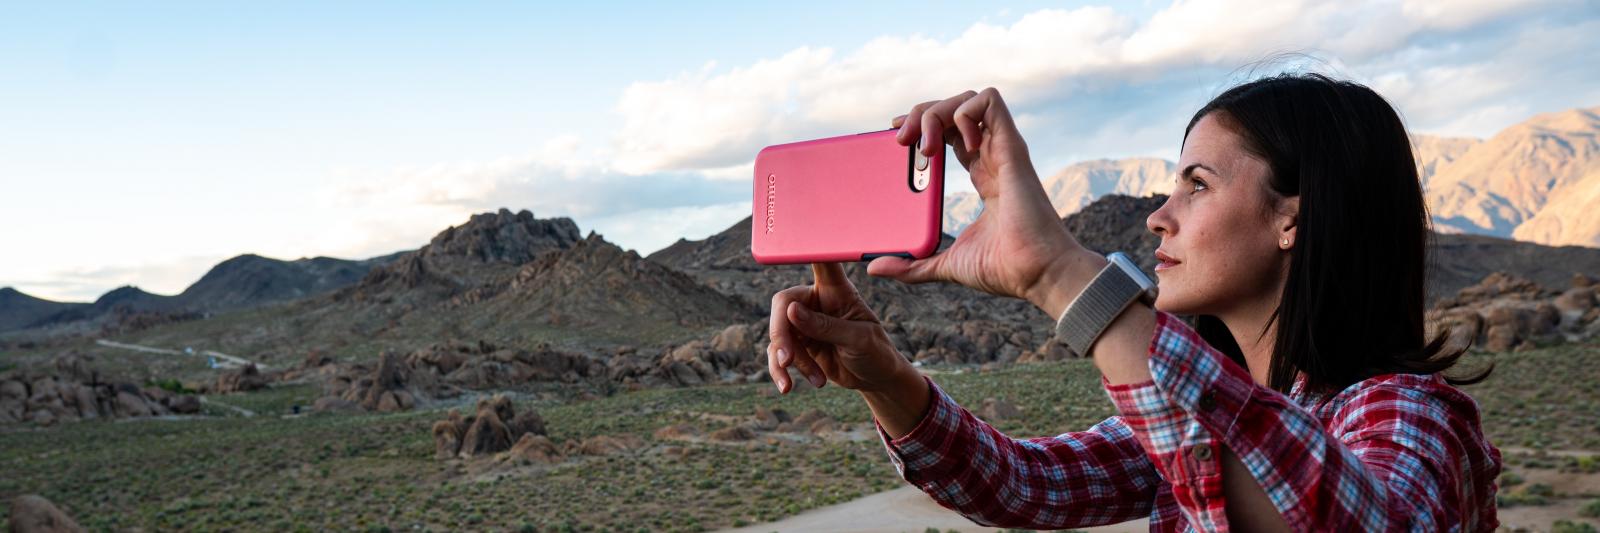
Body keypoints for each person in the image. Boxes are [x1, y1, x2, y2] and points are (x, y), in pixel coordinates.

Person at [764, 75, 1501, 531]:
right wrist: (885, 378)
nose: (1159, 215)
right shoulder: (1203, 413)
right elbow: (1026, 486)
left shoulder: (1406, 414)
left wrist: (1059, 273)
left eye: (1198, 184)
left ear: (1293, 219)